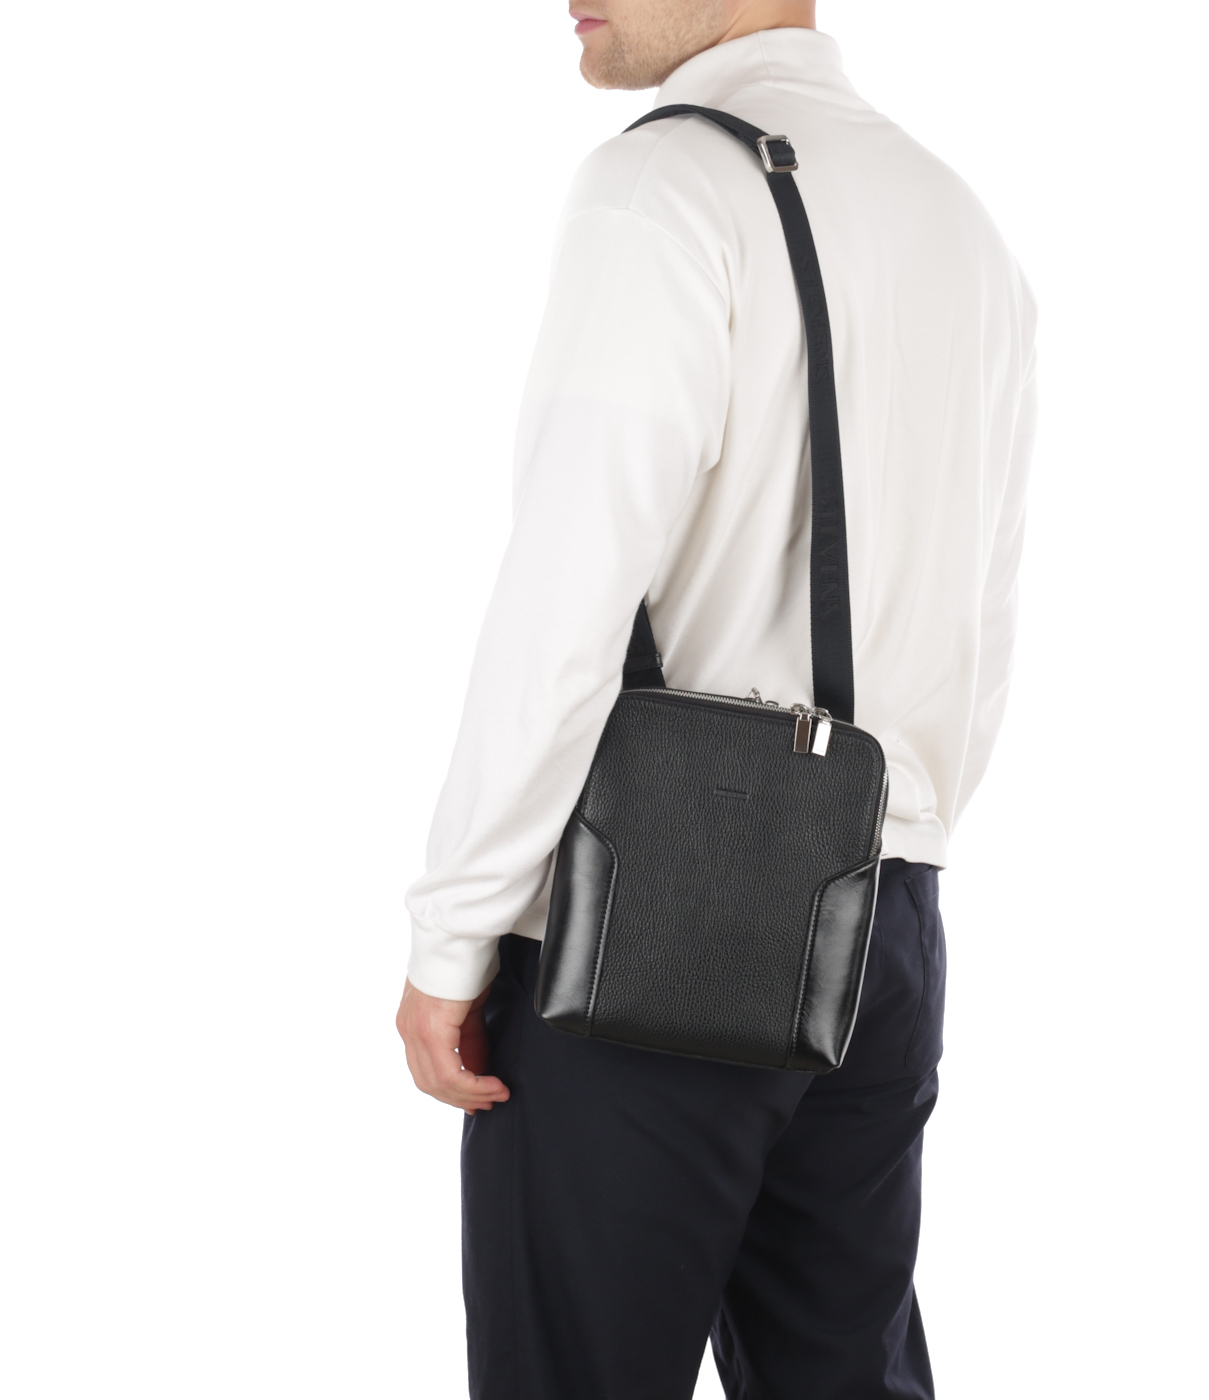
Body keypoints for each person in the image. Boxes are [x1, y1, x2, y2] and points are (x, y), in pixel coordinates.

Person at [396, 2, 1037, 1395]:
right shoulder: (957, 220)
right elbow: (980, 618)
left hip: (654, 917)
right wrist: (891, 845)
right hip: (886, 914)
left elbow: (565, 599)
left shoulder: (667, 182)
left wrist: (455, 932)